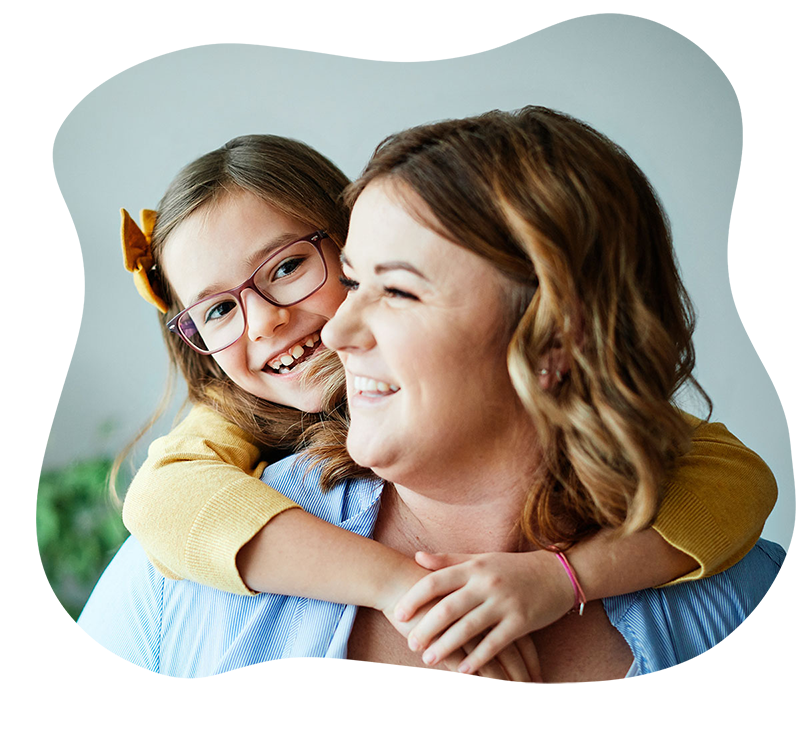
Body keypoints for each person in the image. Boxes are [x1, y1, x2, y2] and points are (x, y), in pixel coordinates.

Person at [78, 117, 781, 683]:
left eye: (290, 268)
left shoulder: (758, 613)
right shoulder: (202, 502)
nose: (267, 323)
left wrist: (563, 577)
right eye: (218, 312)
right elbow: (160, 501)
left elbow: (738, 478)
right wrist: (406, 591)